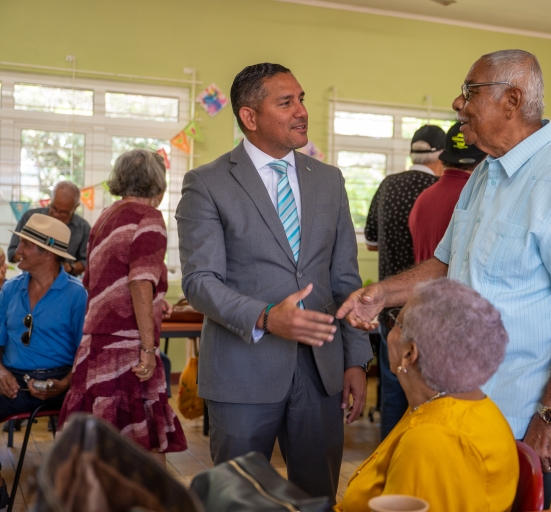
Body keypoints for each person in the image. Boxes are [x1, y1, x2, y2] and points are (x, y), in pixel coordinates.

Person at [337, 49, 551, 509]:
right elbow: (448, 263)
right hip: (463, 405)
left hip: (523, 409)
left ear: (512, 99)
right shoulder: (485, 174)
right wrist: (382, 292)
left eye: (470, 91)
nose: (457, 102)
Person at [176, 63, 372, 500]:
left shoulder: (329, 180)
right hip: (242, 372)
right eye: (286, 102)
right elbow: (200, 281)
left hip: (322, 373)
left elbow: (345, 278)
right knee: (237, 500)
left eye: (301, 99)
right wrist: (266, 317)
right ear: (250, 117)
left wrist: (356, 360)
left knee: (318, 496)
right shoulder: (207, 183)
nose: (302, 111)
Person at [335, 278, 518, 511]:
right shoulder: (460, 404)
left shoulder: (431, 441)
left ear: (409, 354)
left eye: (395, 322)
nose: (389, 329)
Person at [58, 149, 187, 464]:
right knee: (146, 449)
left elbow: (97, 283)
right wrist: (146, 347)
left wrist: (156, 304)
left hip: (95, 345)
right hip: (128, 349)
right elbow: (140, 282)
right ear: (158, 185)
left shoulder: (105, 216)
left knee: (98, 447)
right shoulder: (149, 219)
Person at [0, 214, 87, 507]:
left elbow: (85, 354)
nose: (17, 250)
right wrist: (0, 371)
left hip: (63, 383)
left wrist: (64, 384)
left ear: (47, 253)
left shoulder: (77, 295)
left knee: (95, 415)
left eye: (25, 244)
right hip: (13, 381)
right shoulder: (10, 289)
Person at [364, 124, 444, 439]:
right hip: (425, 308)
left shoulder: (388, 185)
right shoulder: (437, 191)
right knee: (424, 391)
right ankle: (415, 457)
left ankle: (387, 456)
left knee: (392, 386)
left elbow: (371, 241)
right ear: (440, 158)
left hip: (388, 306)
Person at [409, 122, 486, 264]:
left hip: (423, 286)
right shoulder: (479, 198)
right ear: (484, 158)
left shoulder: (423, 198)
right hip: (455, 287)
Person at [8, 181, 90, 277]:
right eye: (54, 208)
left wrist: (70, 267)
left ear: (75, 207)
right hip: (27, 281)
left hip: (65, 284)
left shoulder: (83, 228)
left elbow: (88, 262)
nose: (56, 214)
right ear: (51, 200)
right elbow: (12, 254)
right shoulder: (31, 217)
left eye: (63, 212)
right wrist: (30, 256)